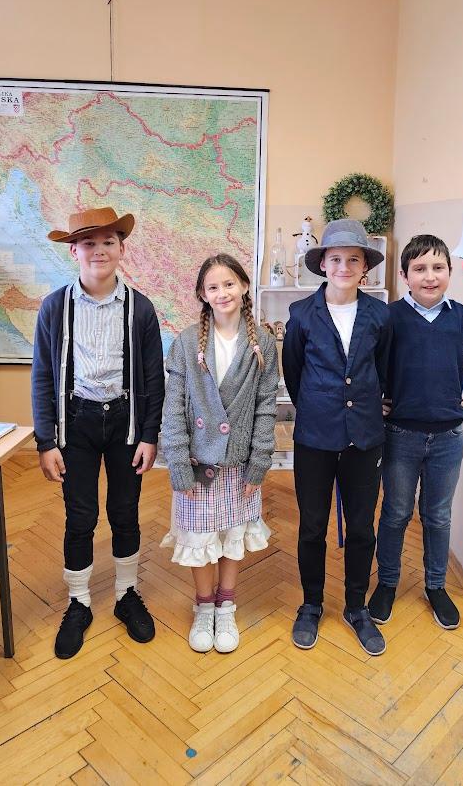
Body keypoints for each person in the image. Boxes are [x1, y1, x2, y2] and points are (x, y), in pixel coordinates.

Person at [32, 207, 165, 658]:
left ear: (121, 249)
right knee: (81, 516)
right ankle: (79, 602)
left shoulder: (140, 308)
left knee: (125, 511)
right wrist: (46, 441)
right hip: (76, 423)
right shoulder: (55, 307)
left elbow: (154, 377)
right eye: (89, 243)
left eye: (108, 242)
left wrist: (149, 435)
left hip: (126, 422)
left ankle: (127, 594)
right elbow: (42, 375)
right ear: (74, 251)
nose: (99, 251)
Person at [369, 234, 463, 630]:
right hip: (400, 435)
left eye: (438, 267)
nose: (429, 276)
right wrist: (375, 399)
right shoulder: (389, 317)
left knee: (437, 515)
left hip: (448, 438)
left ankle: (436, 586)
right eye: (419, 269)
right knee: (396, 513)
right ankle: (387, 582)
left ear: (450, 273)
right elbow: (369, 363)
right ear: (404, 276)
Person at [282, 219, 392, 656]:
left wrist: (368, 404)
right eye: (336, 259)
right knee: (312, 525)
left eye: (353, 259)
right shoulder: (301, 315)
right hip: (315, 436)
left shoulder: (380, 316)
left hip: (364, 436)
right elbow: (294, 373)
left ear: (364, 267)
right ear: (323, 265)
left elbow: (383, 369)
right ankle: (311, 604)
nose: (344, 267)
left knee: (362, 526)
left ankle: (356, 606)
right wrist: (319, 408)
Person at [161, 253, 278, 653]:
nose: (222, 292)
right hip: (198, 463)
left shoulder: (262, 342)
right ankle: (204, 606)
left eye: (229, 283)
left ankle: (226, 604)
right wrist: (177, 462)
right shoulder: (186, 341)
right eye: (213, 287)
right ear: (202, 293)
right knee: (199, 536)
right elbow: (173, 407)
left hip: (239, 463)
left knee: (232, 534)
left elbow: (266, 406)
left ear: (244, 286)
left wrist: (259, 463)